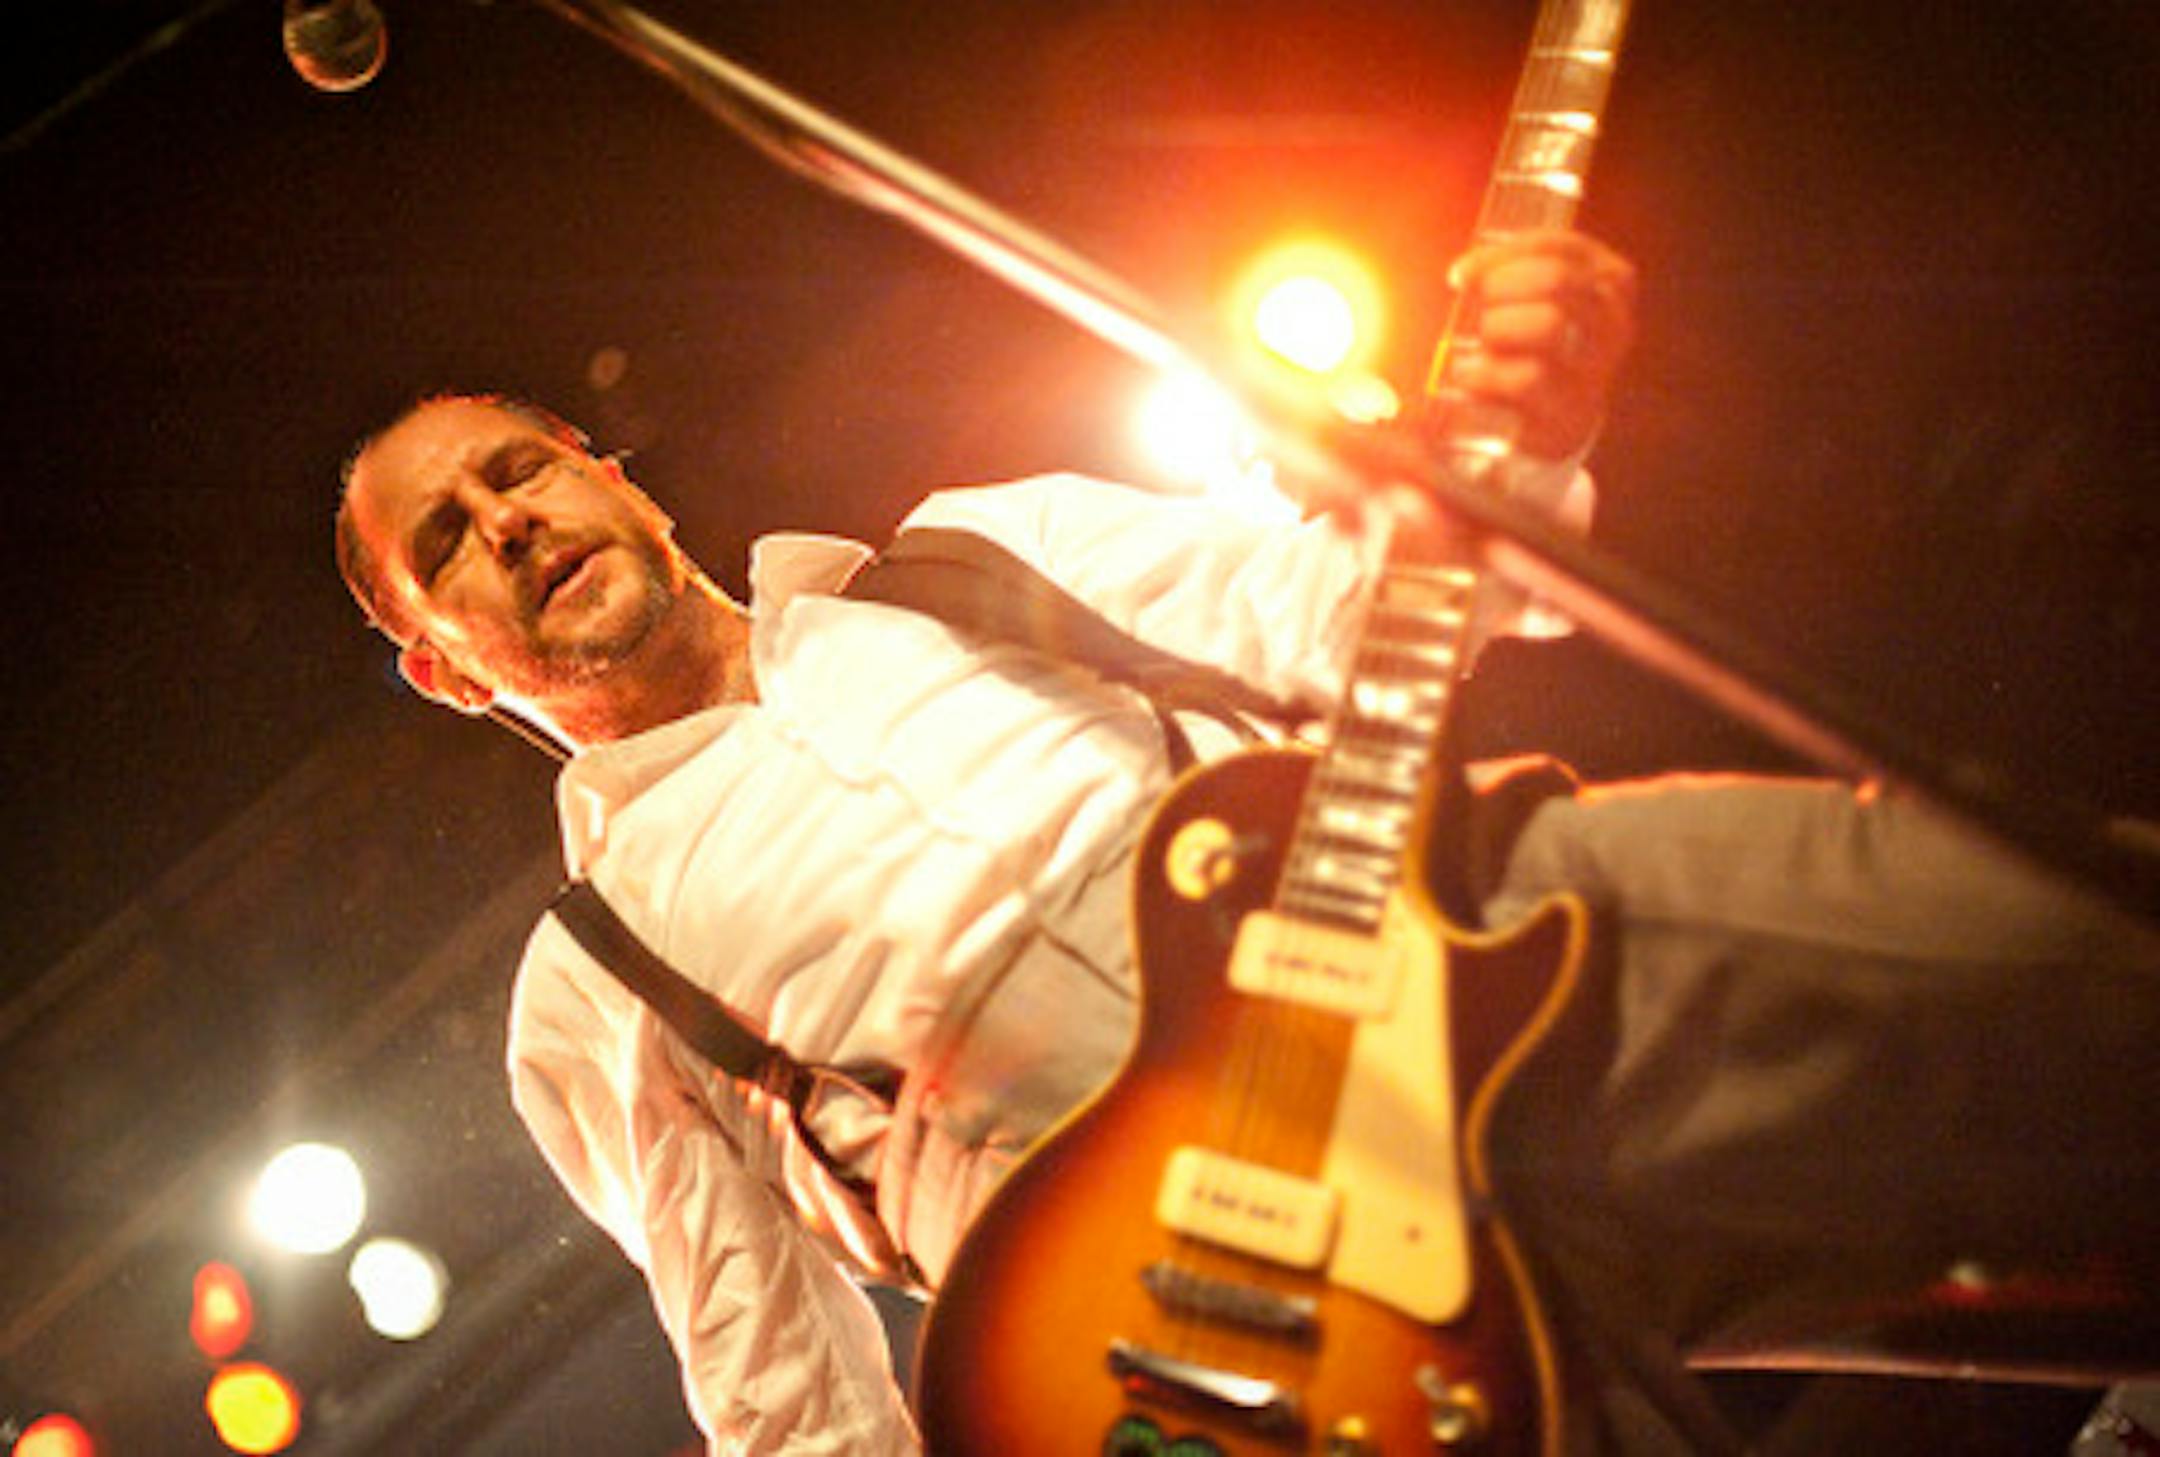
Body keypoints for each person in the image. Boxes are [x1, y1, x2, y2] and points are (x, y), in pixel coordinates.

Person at [335, 230, 2159, 1455]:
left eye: (522, 472)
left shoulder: (975, 550)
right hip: (1181, 1306)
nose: (509, 524)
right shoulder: (589, 976)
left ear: (614, 472)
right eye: (447, 543)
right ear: (439, 666)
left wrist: (1512, 427)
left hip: (1466, 935)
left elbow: (1370, 602)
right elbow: (777, 1377)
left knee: (2072, 956)